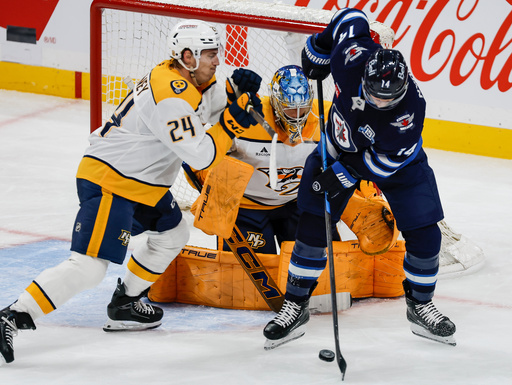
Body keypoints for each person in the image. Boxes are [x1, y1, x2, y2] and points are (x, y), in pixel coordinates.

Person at [0, 19, 263, 365]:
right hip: (113, 181)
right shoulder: (169, 93)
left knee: (173, 231)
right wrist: (231, 122)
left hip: (142, 184)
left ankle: (126, 303)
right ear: (187, 56)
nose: (217, 61)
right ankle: (15, 314)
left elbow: (206, 103)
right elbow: (200, 153)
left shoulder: (188, 77)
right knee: (90, 267)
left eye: (217, 54)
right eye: (210, 55)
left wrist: (231, 91)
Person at [263, 7, 456, 349]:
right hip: (337, 148)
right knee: (311, 227)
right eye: (374, 92)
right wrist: (318, 50)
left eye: (388, 98)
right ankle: (295, 304)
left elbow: (382, 165)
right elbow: (350, 17)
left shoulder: (409, 111)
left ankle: (420, 305)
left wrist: (344, 175)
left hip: (399, 165)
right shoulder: (351, 56)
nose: (380, 101)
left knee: (426, 237)